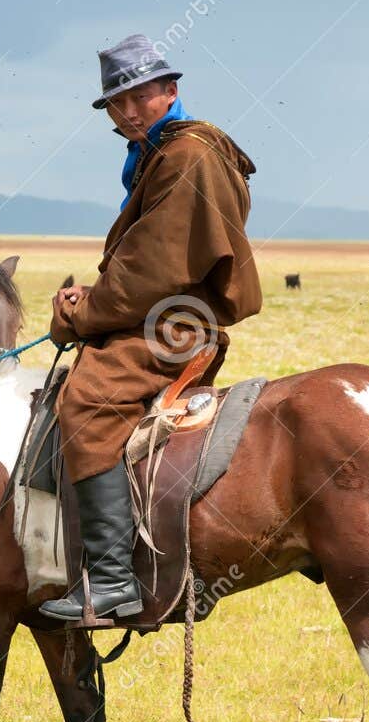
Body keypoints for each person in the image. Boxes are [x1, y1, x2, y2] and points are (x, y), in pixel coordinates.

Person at [40, 34, 262, 622]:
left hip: (172, 324)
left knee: (87, 402)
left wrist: (78, 314)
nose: (129, 111)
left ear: (171, 90)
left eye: (140, 96)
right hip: (165, 310)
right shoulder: (164, 151)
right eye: (118, 103)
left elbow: (152, 271)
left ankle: (112, 580)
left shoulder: (186, 156)